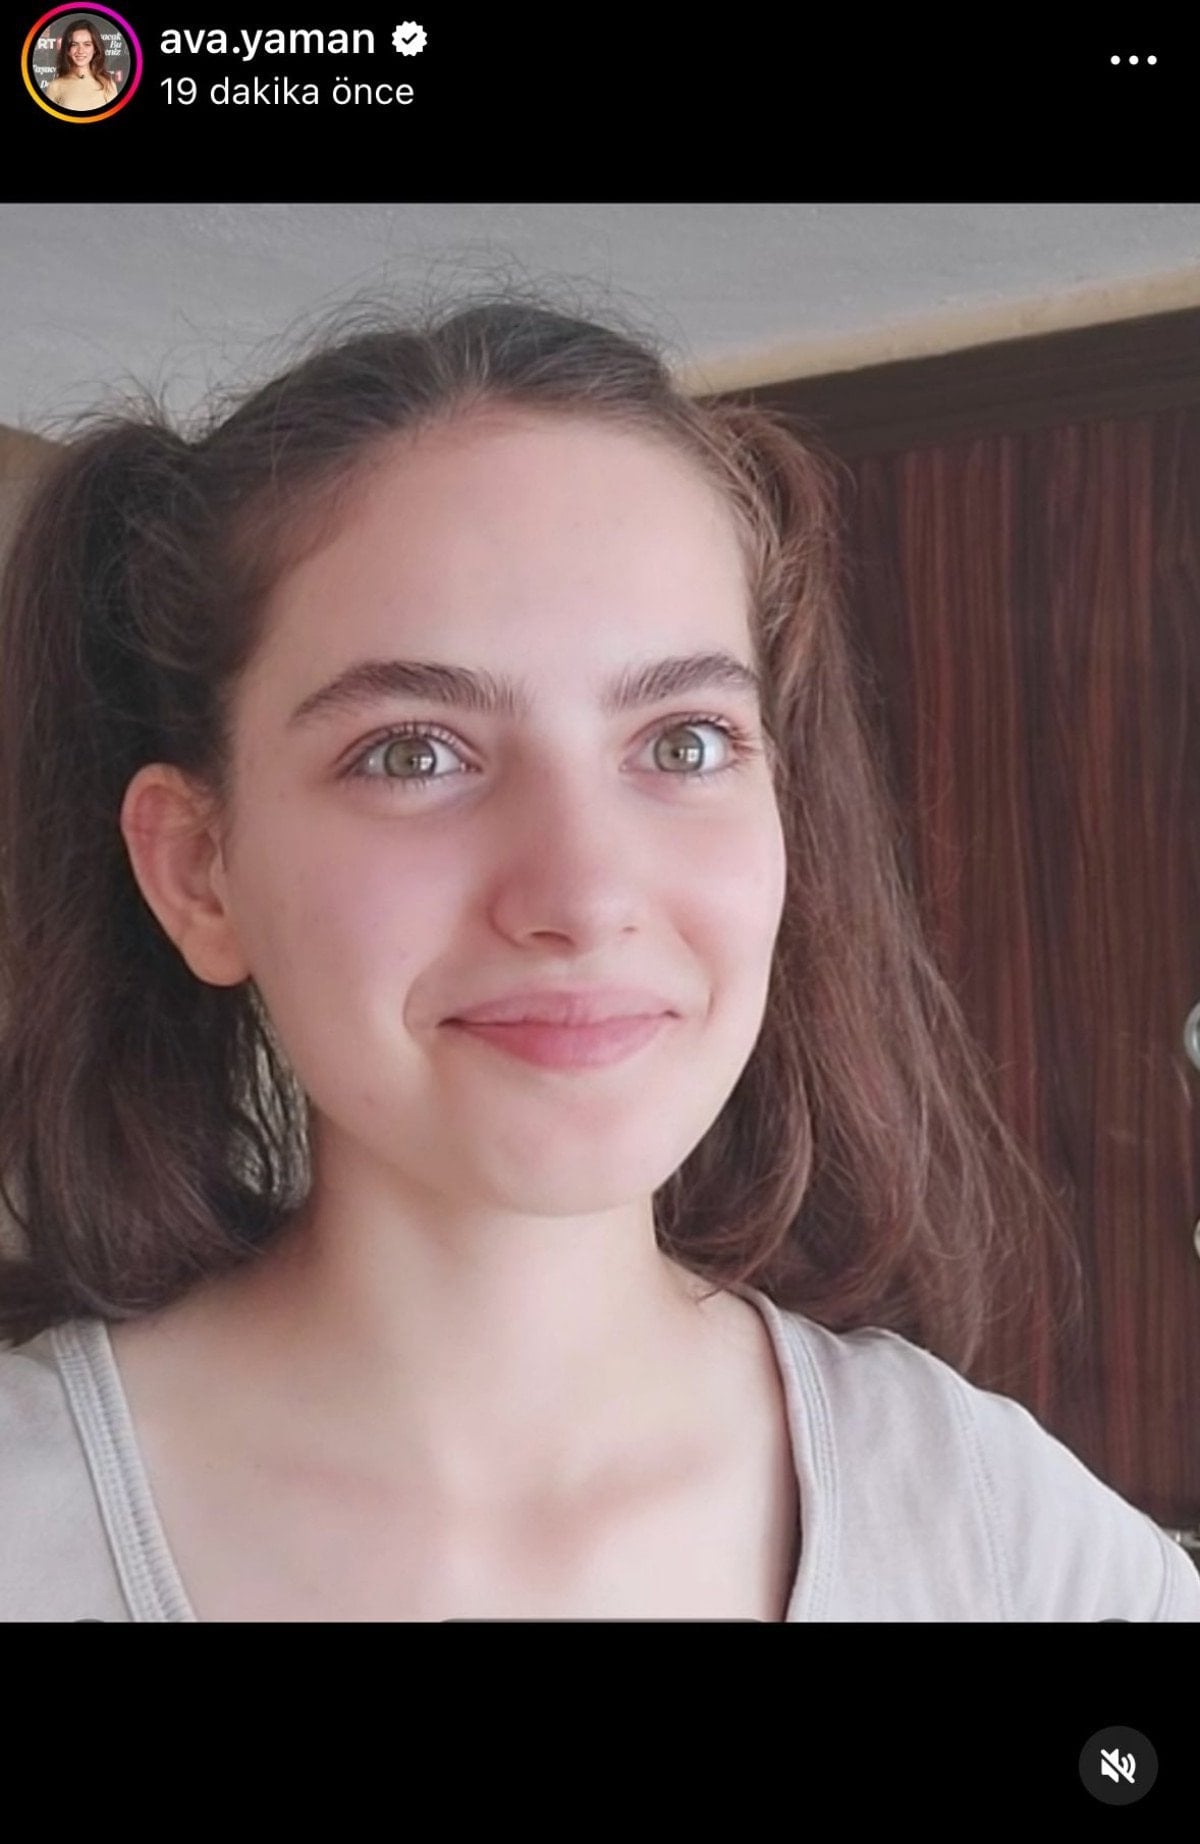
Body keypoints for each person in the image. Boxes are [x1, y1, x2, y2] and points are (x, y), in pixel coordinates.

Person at [0, 297, 1196, 1623]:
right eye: (413, 752)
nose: (583, 895)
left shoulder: (1010, 1543)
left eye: (684, 742)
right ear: (198, 870)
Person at [44, 19, 120, 111]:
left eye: (87, 44)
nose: (80, 50)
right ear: (67, 50)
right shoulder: (55, 87)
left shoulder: (107, 84)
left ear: (95, 49)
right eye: (74, 44)